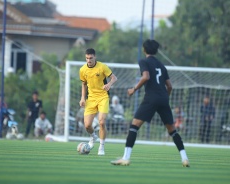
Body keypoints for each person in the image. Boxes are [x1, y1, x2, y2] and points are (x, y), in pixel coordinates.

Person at [111, 39, 189, 167]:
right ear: (156, 51)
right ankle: (184, 158)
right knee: (172, 130)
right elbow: (169, 86)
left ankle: (125, 158)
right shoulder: (162, 65)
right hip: (163, 98)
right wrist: (164, 98)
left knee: (134, 126)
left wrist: (134, 89)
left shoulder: (143, 61)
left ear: (144, 49)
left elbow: (146, 77)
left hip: (151, 97)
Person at [79, 48, 118, 155]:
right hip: (91, 99)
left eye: (91, 58)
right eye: (87, 58)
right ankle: (93, 137)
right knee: (87, 125)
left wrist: (109, 84)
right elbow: (83, 84)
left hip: (103, 97)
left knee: (101, 122)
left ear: (95, 57)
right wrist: (83, 98)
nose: (89, 60)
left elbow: (114, 78)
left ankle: (101, 147)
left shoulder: (102, 67)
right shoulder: (82, 70)